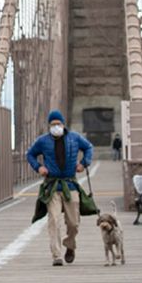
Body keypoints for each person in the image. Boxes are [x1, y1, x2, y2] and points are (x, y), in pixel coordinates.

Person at [26, 110, 93, 266]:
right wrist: (38, 167)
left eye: (58, 124)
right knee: (54, 220)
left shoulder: (74, 138)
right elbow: (30, 154)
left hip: (70, 184)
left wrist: (84, 163)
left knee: (74, 223)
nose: (56, 126)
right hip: (52, 186)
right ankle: (56, 255)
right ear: (49, 125)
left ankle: (69, 245)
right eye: (53, 124)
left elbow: (88, 147)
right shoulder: (42, 141)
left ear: (63, 124)